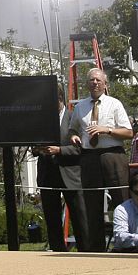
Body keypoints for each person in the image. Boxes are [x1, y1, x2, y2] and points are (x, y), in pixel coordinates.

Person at [72, 68, 133, 247]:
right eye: (91, 80)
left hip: (112, 155)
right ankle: (96, 246)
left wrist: (106, 130)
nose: (95, 83)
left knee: (121, 200)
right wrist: (73, 136)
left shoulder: (114, 104)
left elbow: (129, 132)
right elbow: (72, 129)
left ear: (105, 84)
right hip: (89, 157)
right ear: (87, 84)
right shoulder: (80, 107)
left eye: (98, 80)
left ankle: (127, 243)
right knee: (92, 203)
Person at [34, 91, 91, 252]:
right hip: (48, 175)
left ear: (60, 100)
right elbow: (34, 145)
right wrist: (39, 148)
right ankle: (58, 251)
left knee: (80, 217)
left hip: (70, 175)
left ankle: (86, 251)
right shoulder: (42, 120)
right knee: (52, 218)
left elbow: (81, 148)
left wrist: (59, 150)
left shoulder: (74, 117)